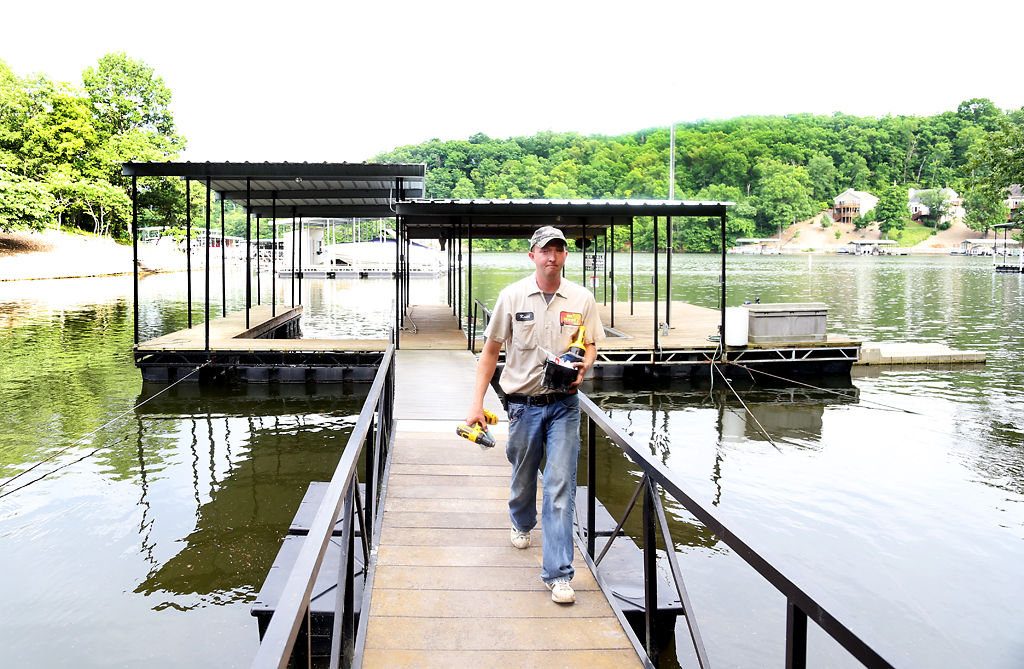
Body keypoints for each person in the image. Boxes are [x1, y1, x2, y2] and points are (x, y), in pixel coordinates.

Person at [465, 225, 605, 604]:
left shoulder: (581, 298)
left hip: (564, 405)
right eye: (545, 250)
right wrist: (477, 404)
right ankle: (521, 521)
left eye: (558, 250)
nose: (552, 257)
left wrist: (583, 368)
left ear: (564, 256)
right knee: (524, 474)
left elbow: (590, 345)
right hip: (522, 406)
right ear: (532, 256)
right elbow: (491, 353)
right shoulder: (511, 297)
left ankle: (558, 574)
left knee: (560, 486)